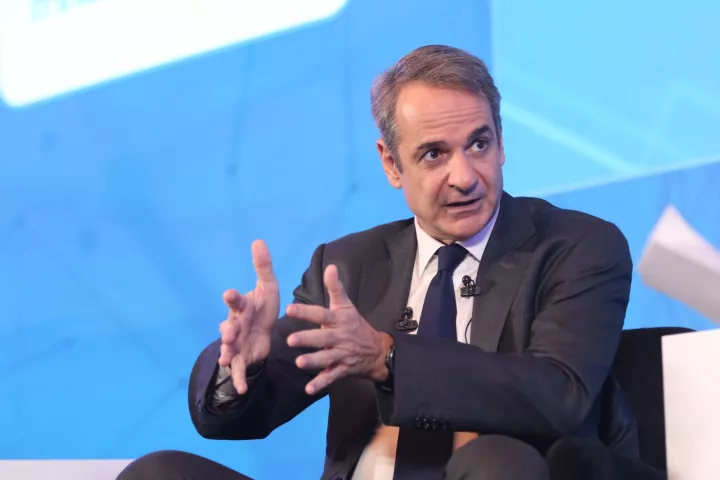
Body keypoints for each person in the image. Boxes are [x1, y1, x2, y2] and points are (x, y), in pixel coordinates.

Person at [118, 45, 666, 480]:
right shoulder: (347, 265)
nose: (465, 177)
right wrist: (244, 366)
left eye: (479, 144)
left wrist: (390, 359)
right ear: (391, 164)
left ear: (502, 144)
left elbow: (559, 394)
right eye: (434, 154)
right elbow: (244, 418)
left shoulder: (575, 246)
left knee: (498, 462)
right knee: (159, 473)